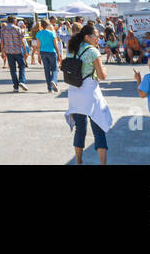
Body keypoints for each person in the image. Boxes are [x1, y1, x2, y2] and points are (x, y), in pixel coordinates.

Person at [65, 22, 111, 165]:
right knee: (99, 127)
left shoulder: (72, 49)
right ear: (87, 37)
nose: (98, 39)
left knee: (80, 129)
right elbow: (102, 76)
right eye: (96, 36)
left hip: (74, 92)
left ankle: (79, 162)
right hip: (89, 93)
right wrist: (105, 69)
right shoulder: (92, 51)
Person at [0, 17, 28, 91]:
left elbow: (2, 42)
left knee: (12, 69)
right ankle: (21, 81)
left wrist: (2, 52)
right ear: (14, 21)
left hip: (8, 51)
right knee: (22, 66)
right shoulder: (17, 29)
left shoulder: (3, 29)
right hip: (17, 50)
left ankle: (16, 86)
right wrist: (25, 51)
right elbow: (22, 40)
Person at [35, 19, 61, 92]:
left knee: (46, 70)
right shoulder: (52, 33)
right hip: (52, 52)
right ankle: (53, 80)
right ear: (48, 25)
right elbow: (55, 45)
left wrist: (38, 56)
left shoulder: (38, 34)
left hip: (43, 52)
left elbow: (38, 46)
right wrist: (58, 54)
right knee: (54, 69)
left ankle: (50, 88)